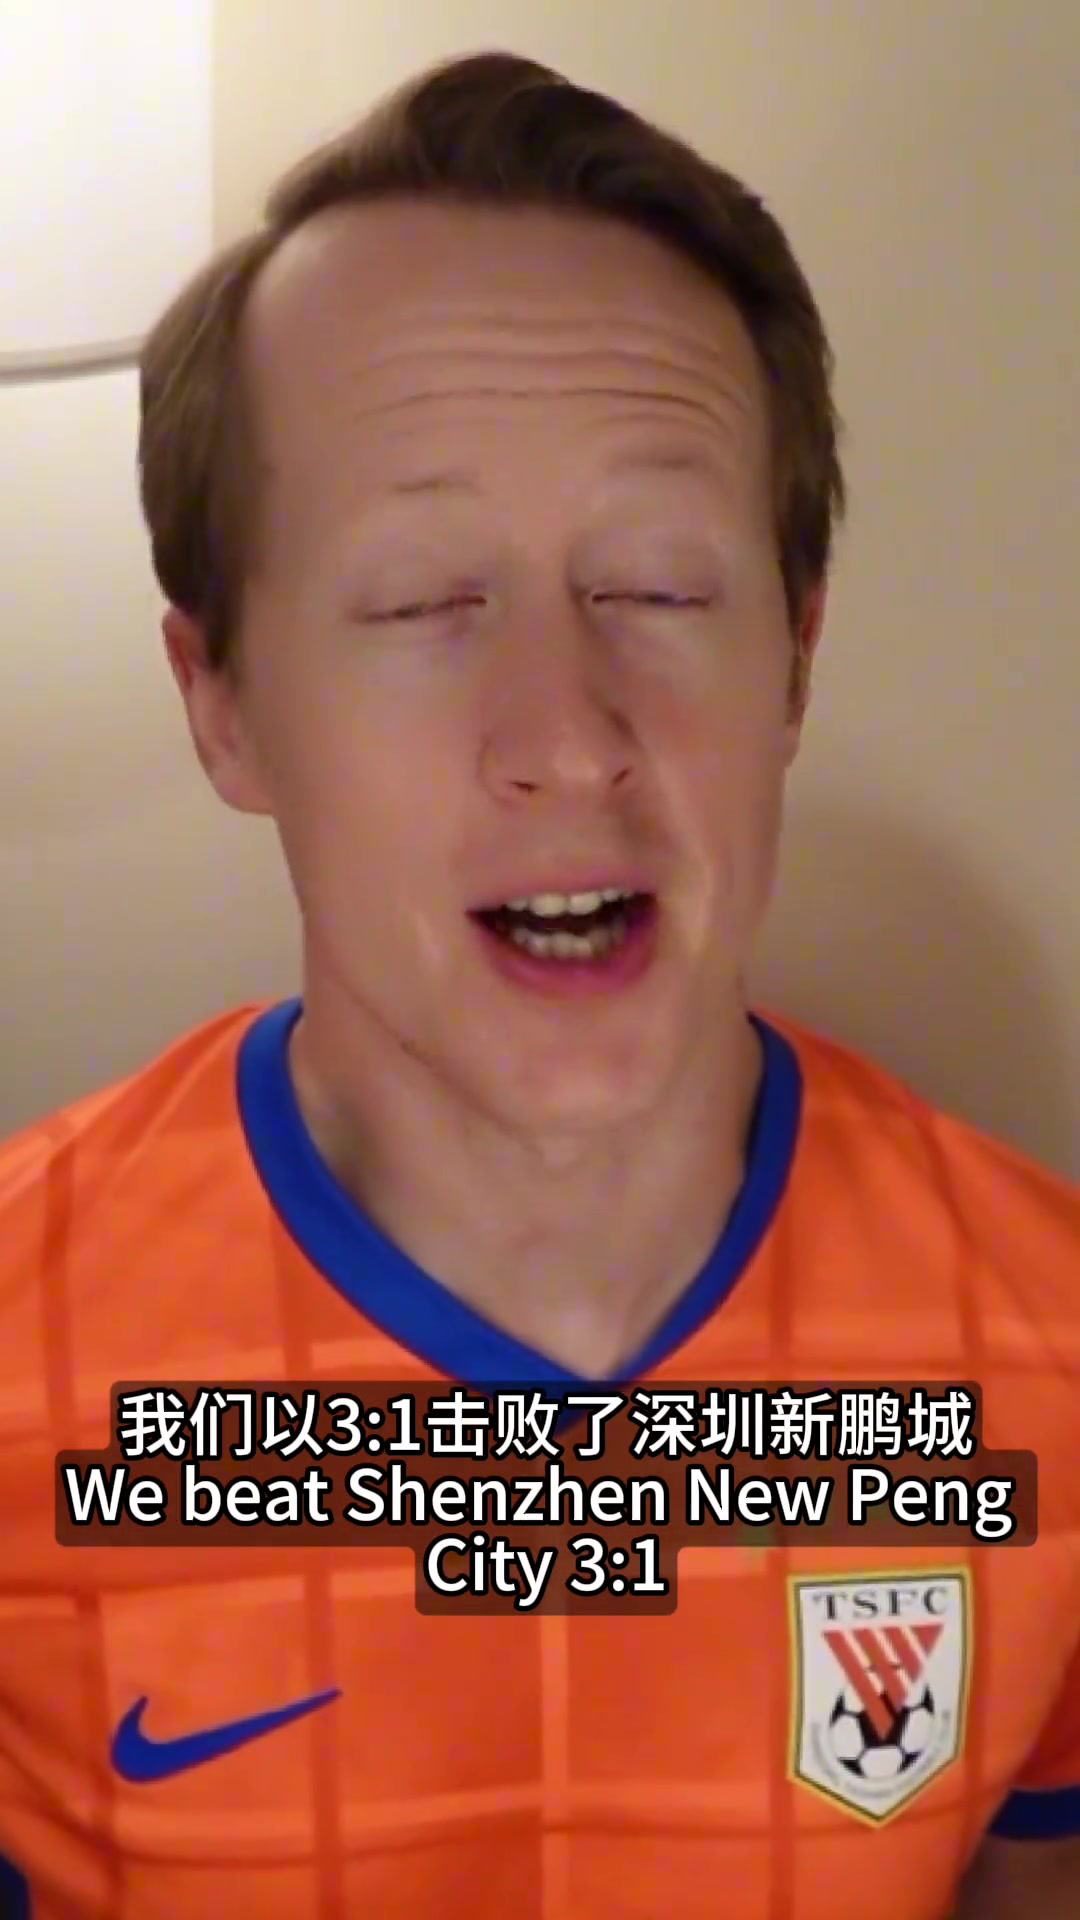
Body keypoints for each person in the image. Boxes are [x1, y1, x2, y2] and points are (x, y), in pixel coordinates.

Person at [1, 48, 1077, 1920]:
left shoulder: (1053, 1345)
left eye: (658, 587)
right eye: (424, 601)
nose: (569, 738)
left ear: (795, 658)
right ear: (221, 702)